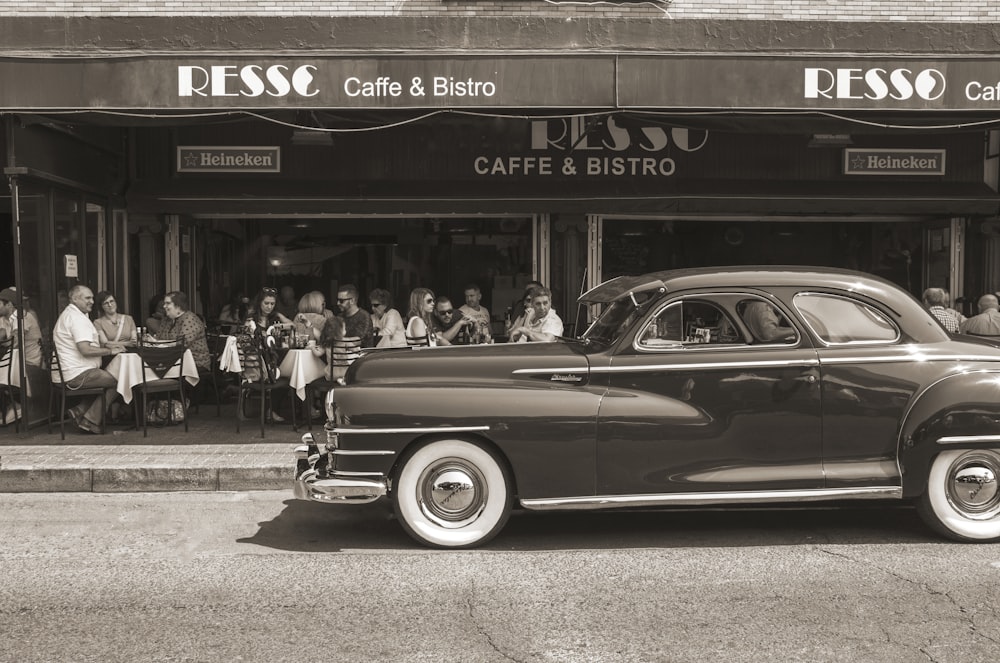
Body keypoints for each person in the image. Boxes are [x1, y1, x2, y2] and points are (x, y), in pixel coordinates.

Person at [52, 285, 122, 434]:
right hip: (77, 375)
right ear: (75, 299)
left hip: (71, 372)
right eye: (87, 298)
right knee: (122, 381)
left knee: (111, 378)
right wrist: (110, 350)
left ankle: (80, 410)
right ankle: (90, 420)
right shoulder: (77, 318)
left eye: (92, 297)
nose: (92, 301)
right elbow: (85, 350)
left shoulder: (72, 314)